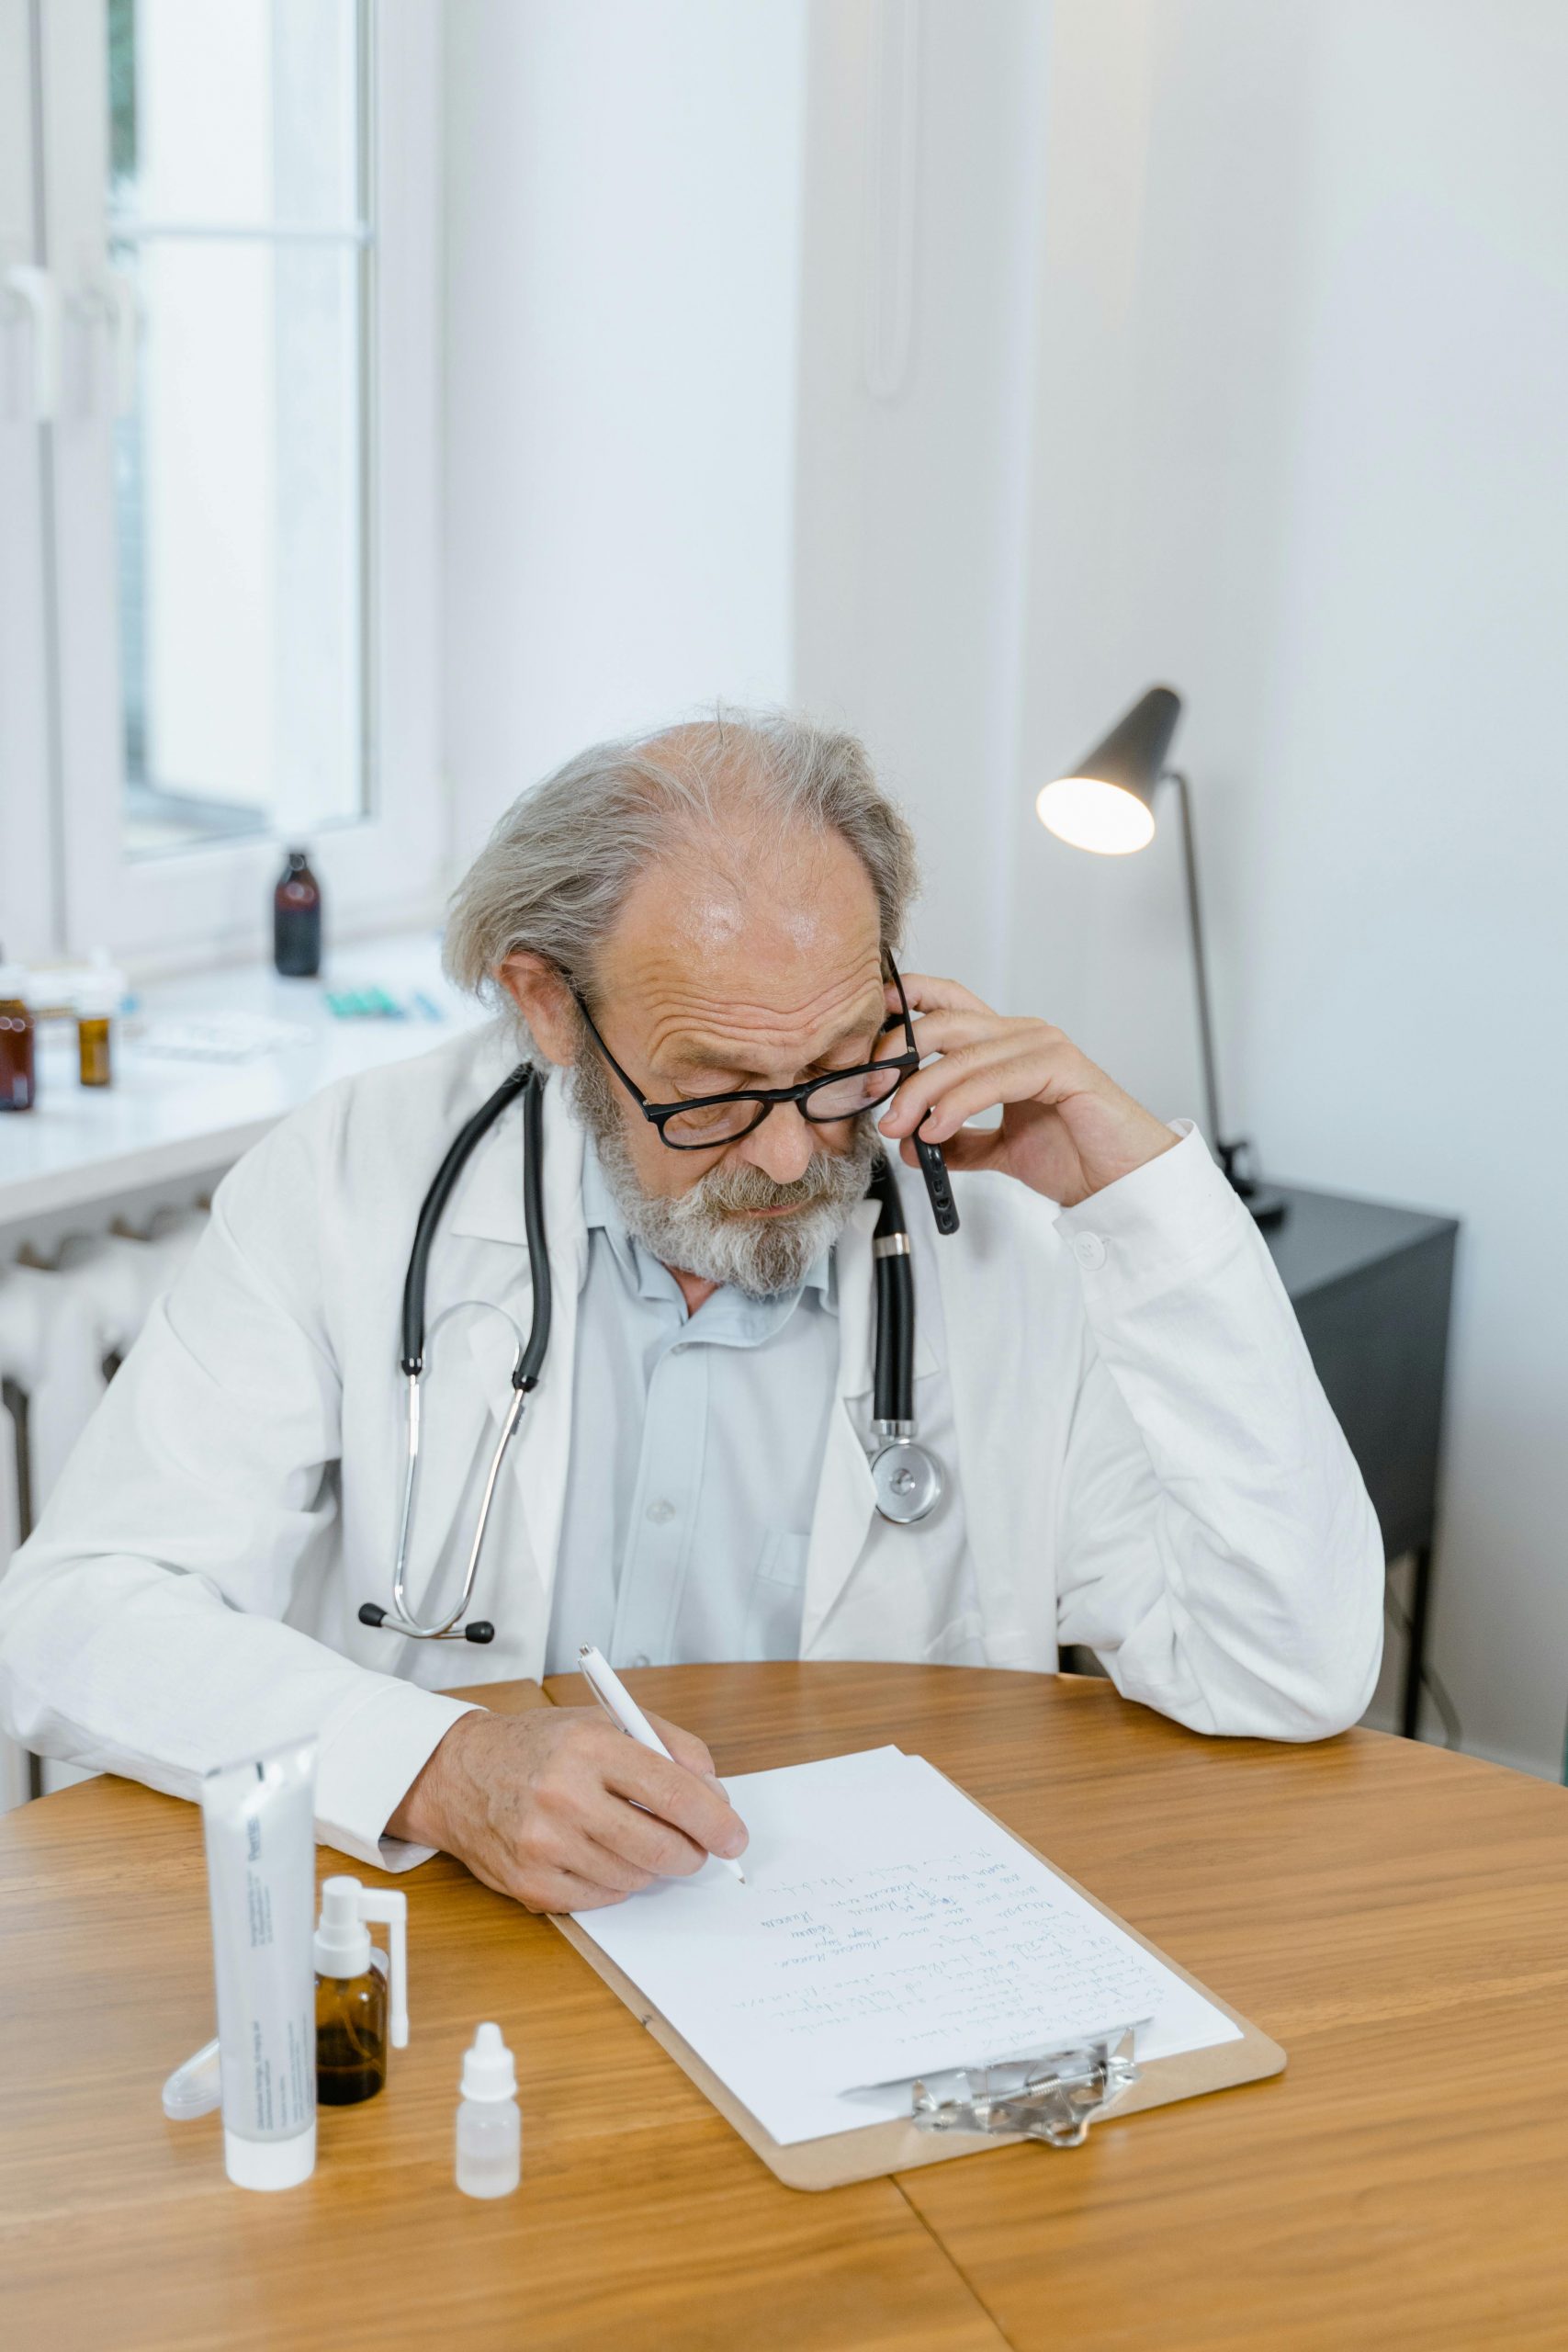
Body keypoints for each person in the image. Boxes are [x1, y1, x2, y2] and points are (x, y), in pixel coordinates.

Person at [0, 713, 1382, 1911]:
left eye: (839, 1067)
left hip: (884, 1938)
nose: (789, 1160)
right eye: (712, 1092)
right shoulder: (358, 1177)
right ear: (548, 1006)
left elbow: (1284, 1671)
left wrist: (1145, 1204)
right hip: (472, 1939)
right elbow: (76, 1615)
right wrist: (440, 1767)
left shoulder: (1012, 1217)